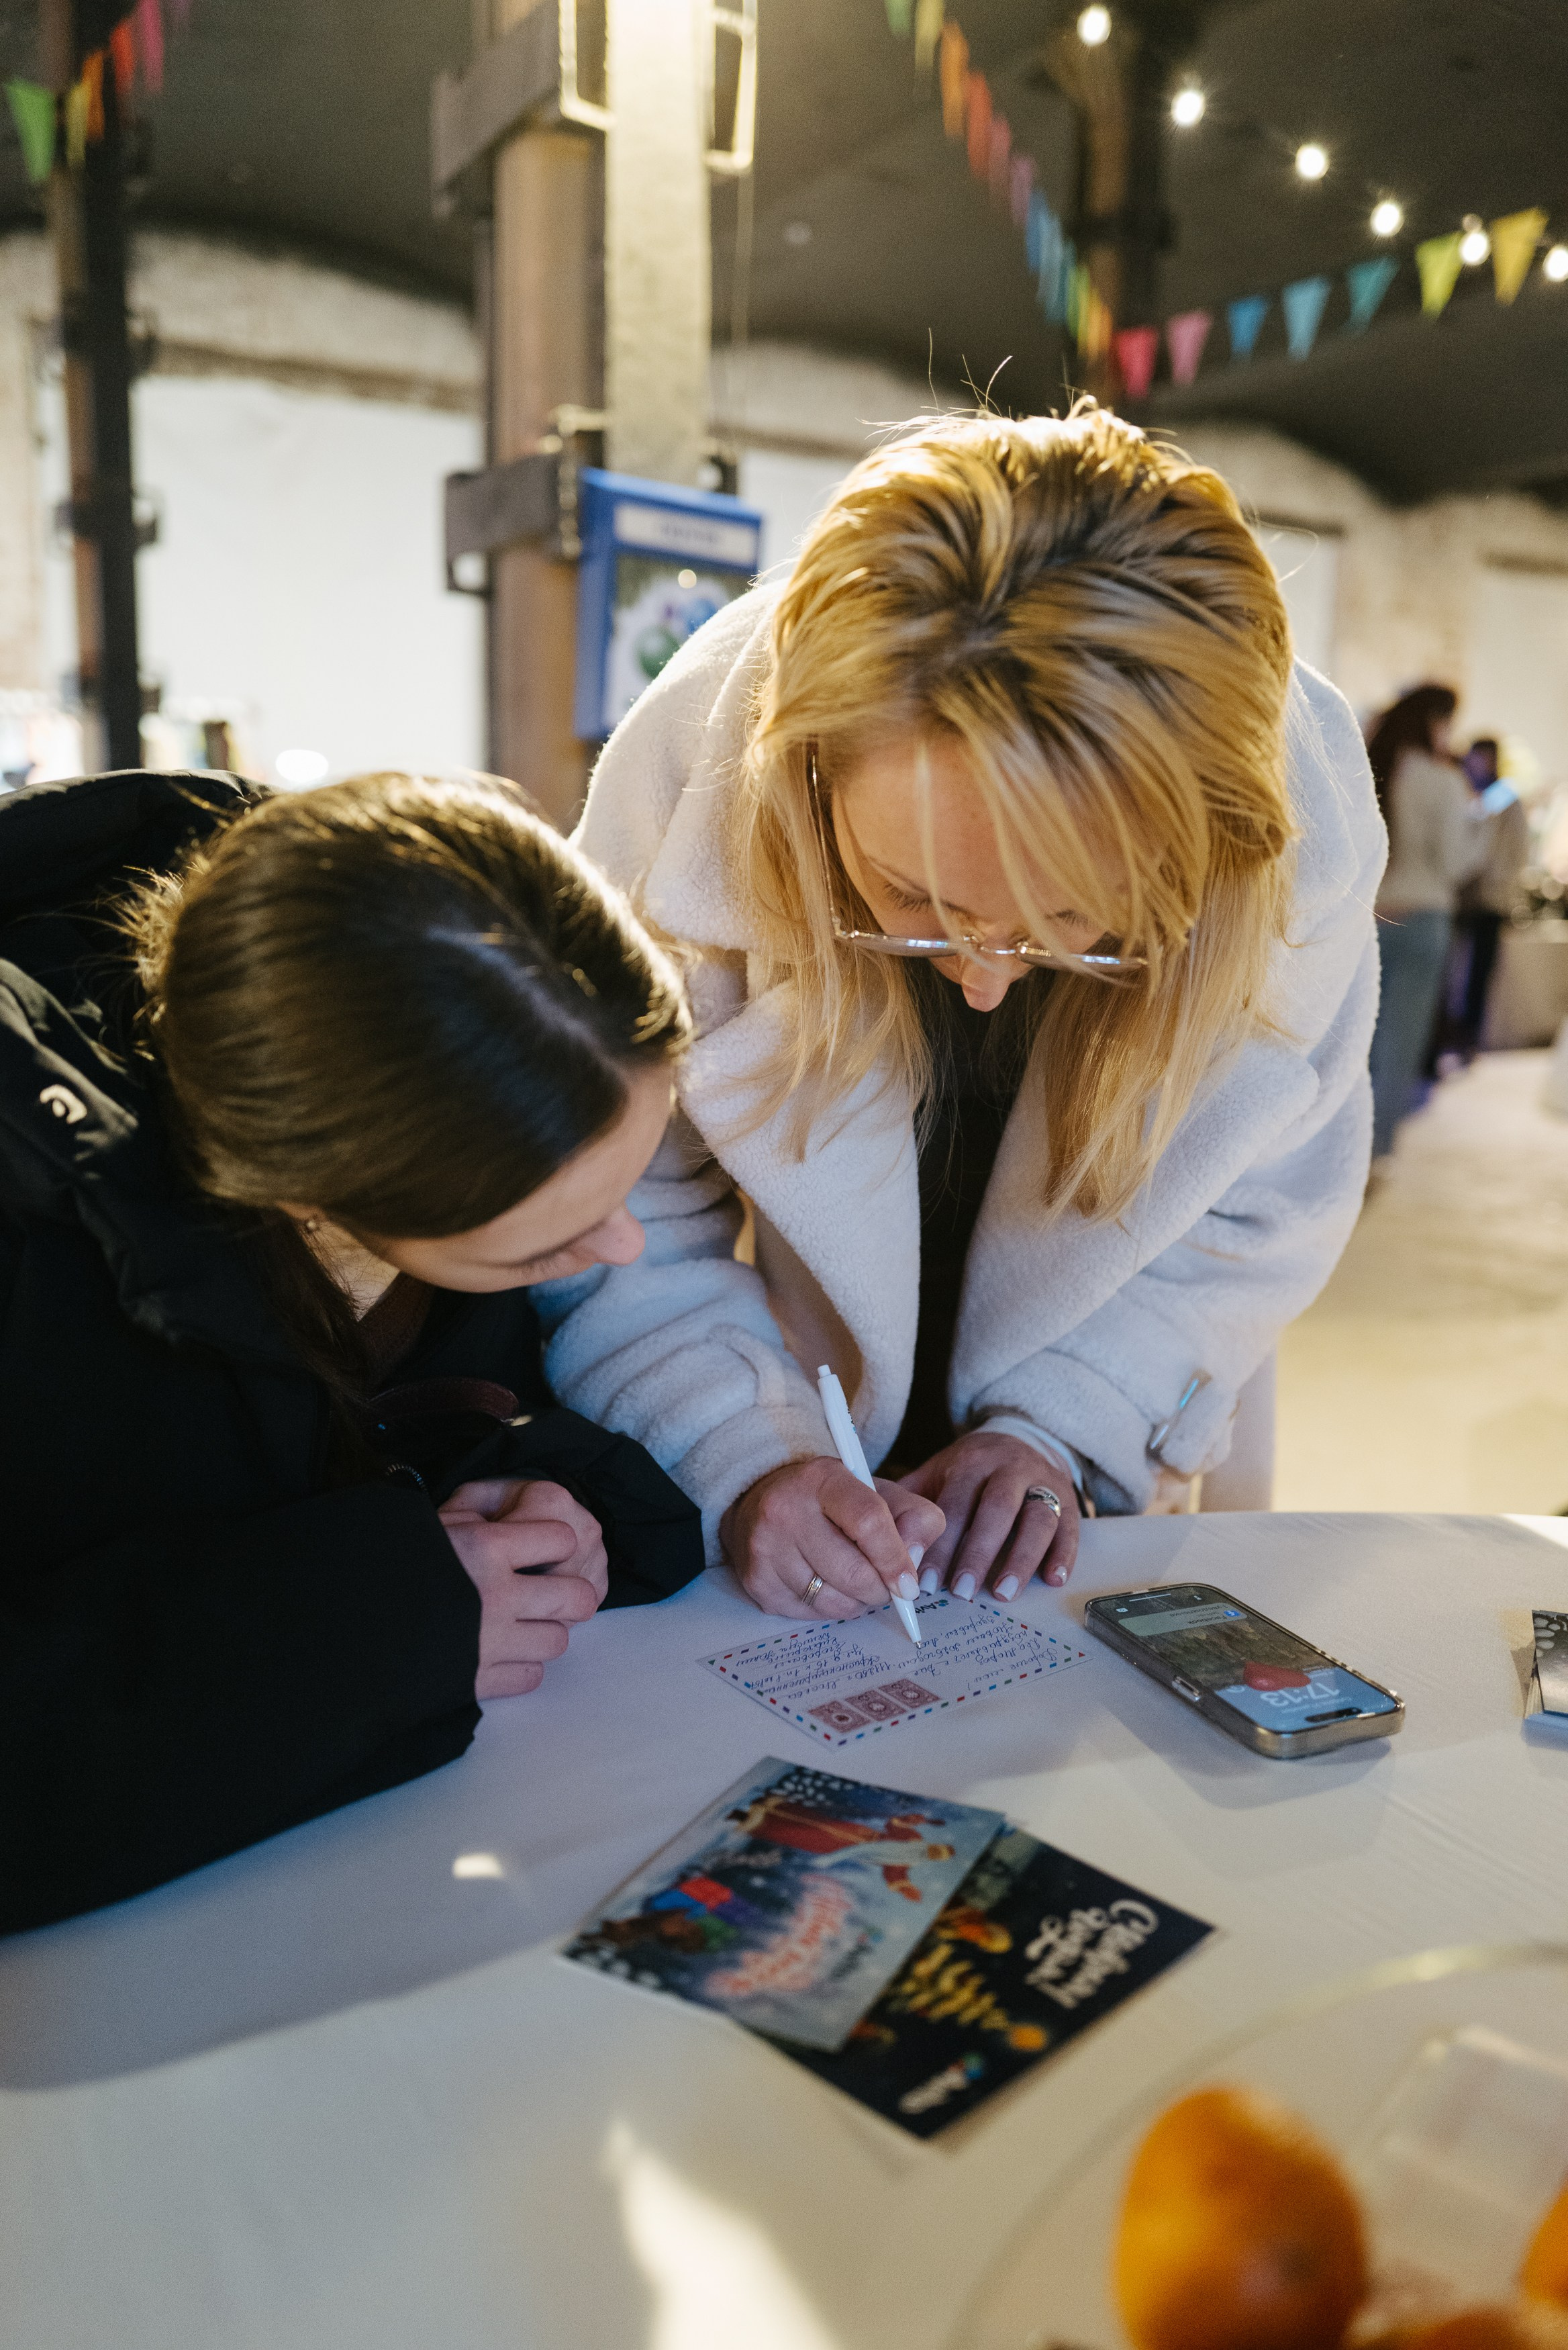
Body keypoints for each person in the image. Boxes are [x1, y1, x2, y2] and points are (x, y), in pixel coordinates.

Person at [534, 404, 1383, 1621]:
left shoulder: (1301, 834)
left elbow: (1255, 1206)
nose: (984, 982)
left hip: (1117, 1347)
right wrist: (741, 1444)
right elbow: (620, 1199)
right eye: (916, 904)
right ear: (812, 776)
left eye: (1069, 928)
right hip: (775, 1353)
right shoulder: (696, 780)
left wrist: (1074, 1420)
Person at [0, 766, 701, 1936]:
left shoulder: (426, 1043)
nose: (620, 1246)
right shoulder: (36, 1259)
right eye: (551, 1234)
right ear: (306, 1195)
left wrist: (515, 1496)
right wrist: (396, 1621)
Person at [1365, 684, 1485, 1160]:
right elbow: (1455, 863)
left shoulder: (1372, 769)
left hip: (1370, 916)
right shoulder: (1443, 781)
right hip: (1423, 918)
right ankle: (1375, 1150)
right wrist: (1479, 834)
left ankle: (1334, 1145)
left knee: (1357, 1035)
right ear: (1438, 721)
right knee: (1401, 1039)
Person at [1444, 737, 1528, 1059]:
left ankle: (1469, 1037)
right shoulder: (1470, 793)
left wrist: (1498, 885)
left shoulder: (1503, 797)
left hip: (1490, 899)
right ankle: (1452, 1033)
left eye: (1483, 758)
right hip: (1465, 896)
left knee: (1479, 972)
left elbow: (1509, 853)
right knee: (1456, 970)